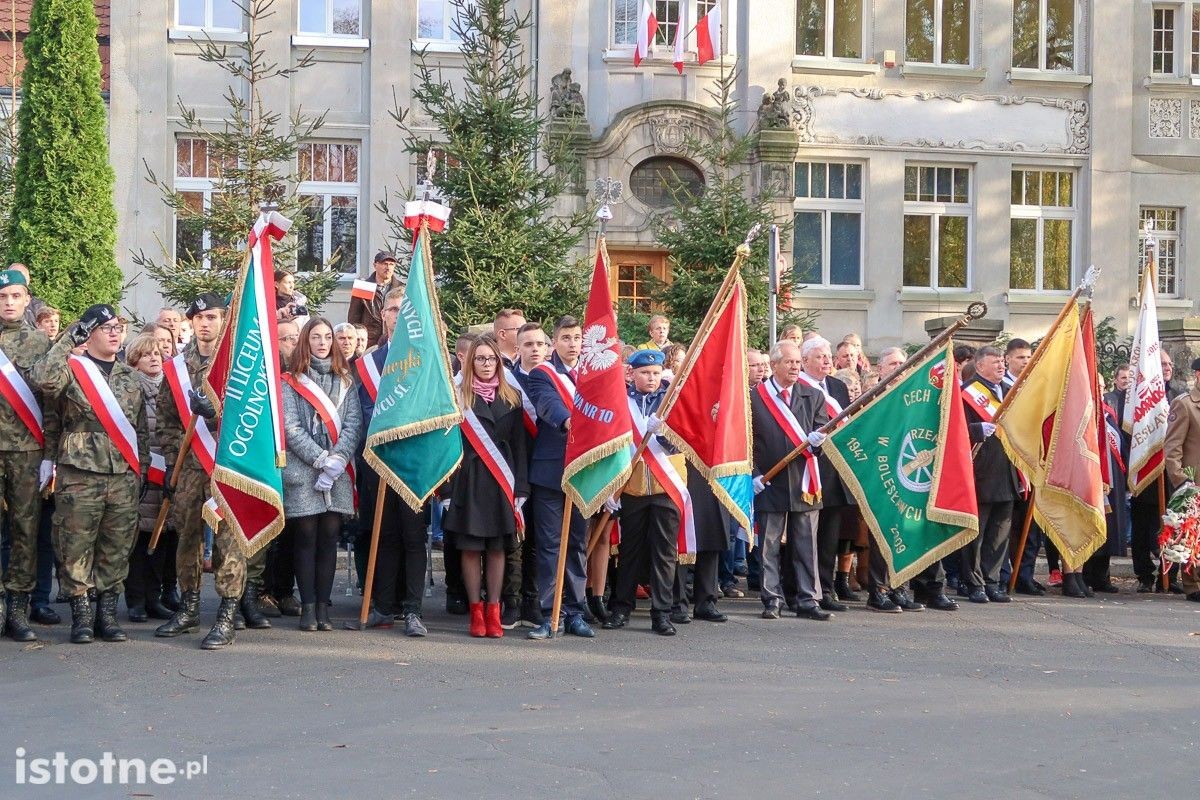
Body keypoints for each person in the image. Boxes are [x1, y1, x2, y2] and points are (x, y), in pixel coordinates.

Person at [33, 304, 149, 644]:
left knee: (118, 545)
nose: (115, 333)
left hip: (123, 473)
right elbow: (43, 379)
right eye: (105, 327)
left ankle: (107, 616)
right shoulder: (72, 369)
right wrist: (69, 338)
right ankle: (82, 616)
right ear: (89, 333)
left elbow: (139, 428)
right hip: (80, 473)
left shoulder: (130, 376)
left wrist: (140, 468)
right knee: (75, 545)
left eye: (118, 326)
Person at [154, 293, 249, 650]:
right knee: (187, 537)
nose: (205, 323)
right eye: (198, 318)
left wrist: (217, 413)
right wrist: (173, 458)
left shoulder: (236, 365)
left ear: (223, 321)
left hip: (227, 464)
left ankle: (227, 613)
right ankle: (189, 607)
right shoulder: (177, 368)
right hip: (190, 467)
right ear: (190, 323)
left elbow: (251, 418)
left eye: (211, 317)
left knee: (227, 539)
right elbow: (165, 419)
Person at [350, 293, 430, 637]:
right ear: (383, 314)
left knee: (413, 537)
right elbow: (362, 409)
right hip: (379, 459)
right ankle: (383, 606)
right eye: (394, 309)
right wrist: (384, 431)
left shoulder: (425, 358)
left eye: (405, 309)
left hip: (413, 460)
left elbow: (431, 406)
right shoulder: (369, 363)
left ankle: (412, 610)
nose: (398, 315)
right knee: (383, 534)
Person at [444, 335, 530, 638]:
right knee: (470, 548)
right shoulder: (457, 396)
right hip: (468, 480)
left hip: (501, 481)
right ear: (470, 362)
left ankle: (494, 610)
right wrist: (446, 491)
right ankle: (476, 611)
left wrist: (521, 489)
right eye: (480, 358)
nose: (486, 364)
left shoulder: (511, 396)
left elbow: (520, 446)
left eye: (491, 358)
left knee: (497, 548)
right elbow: (447, 447)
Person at [281, 318, 362, 632]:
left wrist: (338, 459)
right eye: (316, 337)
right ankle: (307, 606)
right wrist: (320, 458)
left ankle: (323, 608)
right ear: (306, 341)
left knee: (329, 537)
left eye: (328, 337)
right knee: (305, 536)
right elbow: (290, 427)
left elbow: (353, 424)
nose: (323, 342)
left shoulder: (345, 380)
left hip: (337, 472)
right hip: (304, 470)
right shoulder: (291, 381)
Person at [605, 349, 689, 635]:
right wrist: (610, 487)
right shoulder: (621, 401)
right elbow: (613, 444)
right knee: (630, 550)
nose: (651, 378)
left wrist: (664, 432)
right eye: (644, 373)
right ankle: (621, 608)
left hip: (666, 485)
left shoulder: (672, 400)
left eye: (655, 373)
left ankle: (662, 612)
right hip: (632, 485)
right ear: (632, 374)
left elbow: (683, 442)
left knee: (664, 552)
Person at [524, 315, 594, 639]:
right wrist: (569, 421)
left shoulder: (593, 375)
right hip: (550, 471)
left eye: (577, 338)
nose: (572, 344)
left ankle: (576, 612)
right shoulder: (542, 374)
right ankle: (550, 614)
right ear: (555, 343)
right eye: (565, 338)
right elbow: (547, 405)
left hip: (584, 470)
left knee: (577, 544)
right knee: (551, 545)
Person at [751, 340, 831, 621]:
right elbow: (746, 441)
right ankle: (772, 598)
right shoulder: (755, 398)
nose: (796, 367)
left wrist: (819, 442)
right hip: (769, 481)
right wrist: (754, 474)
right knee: (769, 546)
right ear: (774, 365)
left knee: (806, 544)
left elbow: (821, 437)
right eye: (790, 362)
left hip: (804, 481)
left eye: (798, 362)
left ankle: (808, 599)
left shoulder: (814, 395)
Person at [0, 268, 55, 642]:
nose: (8, 303)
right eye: (3, 297)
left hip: (27, 451)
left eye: (15, 296)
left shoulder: (39, 342)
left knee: (25, 531)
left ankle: (18, 609)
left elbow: (51, 401)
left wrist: (50, 454)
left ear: (27, 300)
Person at [797, 336, 864, 612]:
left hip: (834, 471)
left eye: (827, 356)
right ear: (805, 361)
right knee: (805, 536)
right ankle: (800, 589)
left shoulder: (837, 386)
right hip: (808, 470)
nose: (826, 361)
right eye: (819, 356)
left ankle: (826, 589)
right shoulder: (799, 386)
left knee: (829, 536)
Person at [960, 346, 1019, 604]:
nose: (1001, 366)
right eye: (995, 362)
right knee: (976, 533)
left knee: (999, 533)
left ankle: (992, 581)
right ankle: (973, 583)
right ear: (980, 365)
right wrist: (976, 430)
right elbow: (955, 429)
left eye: (1002, 362)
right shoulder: (967, 392)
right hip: (980, 471)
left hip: (1007, 469)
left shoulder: (1010, 390)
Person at [123, 334, 176, 623]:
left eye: (157, 353)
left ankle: (155, 598)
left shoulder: (172, 387)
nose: (154, 358)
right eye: (146, 354)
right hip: (142, 472)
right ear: (134, 361)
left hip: (167, 470)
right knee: (140, 540)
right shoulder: (130, 389)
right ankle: (136, 600)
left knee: (162, 537)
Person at [1083, 373, 1127, 594]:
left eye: (1101, 386)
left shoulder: (1109, 412)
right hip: (1091, 476)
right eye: (1095, 385)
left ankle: (1102, 576)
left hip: (1112, 478)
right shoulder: (1084, 411)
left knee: (1109, 527)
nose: (1099, 389)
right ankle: (1085, 575)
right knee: (1091, 525)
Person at [1165, 358, 1200, 602]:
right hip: (1194, 482)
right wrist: (1181, 481)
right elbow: (1172, 448)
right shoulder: (1185, 404)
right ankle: (1193, 584)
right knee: (1193, 535)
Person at [348, 251, 402, 347]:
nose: (388, 267)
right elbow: (353, 318)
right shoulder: (363, 287)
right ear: (375, 265)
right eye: (384, 264)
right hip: (369, 343)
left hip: (395, 341)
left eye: (391, 264)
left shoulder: (401, 289)